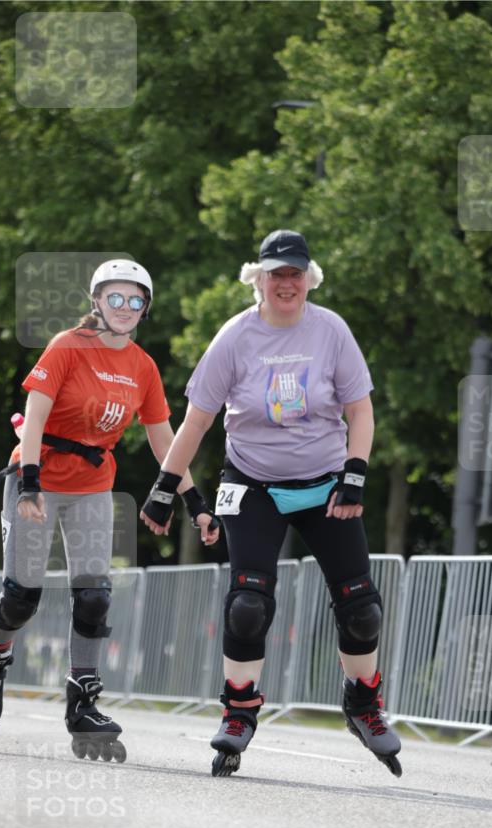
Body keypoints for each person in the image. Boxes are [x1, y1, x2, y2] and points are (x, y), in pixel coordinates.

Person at [140, 230, 402, 778]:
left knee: (361, 608)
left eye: (295, 273)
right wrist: (166, 490)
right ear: (256, 278)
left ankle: (363, 704)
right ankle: (239, 711)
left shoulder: (331, 330)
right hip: (253, 484)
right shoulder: (235, 337)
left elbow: (361, 410)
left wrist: (354, 475)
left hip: (325, 481)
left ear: (310, 278)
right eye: (275, 274)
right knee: (249, 603)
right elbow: (198, 421)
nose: (286, 283)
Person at [0, 259, 218, 757]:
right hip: (40, 479)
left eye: (136, 301)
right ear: (97, 301)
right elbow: (35, 418)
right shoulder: (68, 346)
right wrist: (28, 485)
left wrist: (195, 502)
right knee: (20, 599)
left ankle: (82, 700)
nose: (126, 308)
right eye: (116, 298)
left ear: (145, 309)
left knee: (93, 595)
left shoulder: (143, 367)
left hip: (93, 485)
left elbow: (166, 443)